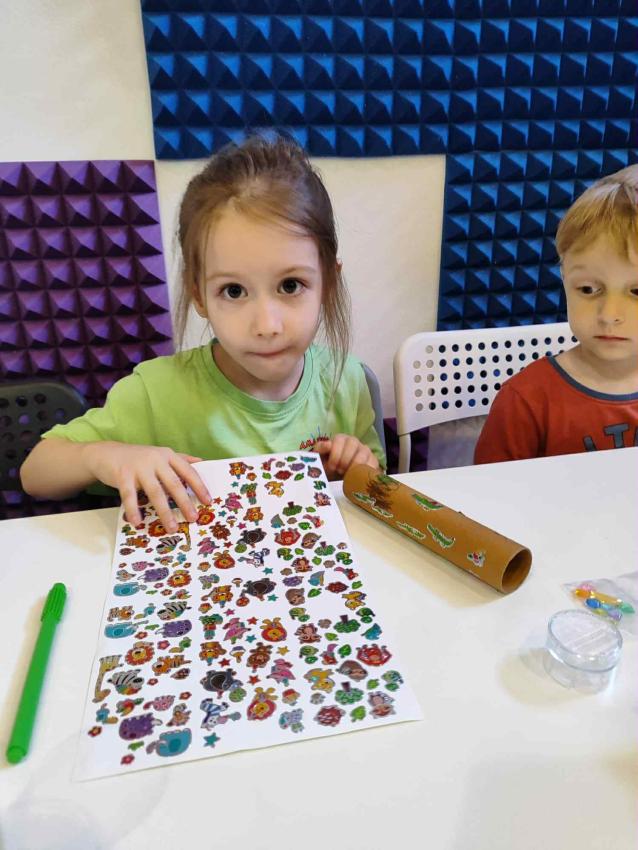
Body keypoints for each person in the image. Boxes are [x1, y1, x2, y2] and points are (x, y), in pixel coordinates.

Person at [21, 135, 384, 530]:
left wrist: (353, 470)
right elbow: (35, 473)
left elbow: (375, 484)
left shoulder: (348, 381)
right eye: (234, 291)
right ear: (199, 296)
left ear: (329, 283)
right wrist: (105, 456)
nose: (267, 326)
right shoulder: (155, 391)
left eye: (291, 285)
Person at [474, 164, 638, 464]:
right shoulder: (525, 400)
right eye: (588, 289)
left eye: (636, 292)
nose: (609, 315)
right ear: (565, 281)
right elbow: (488, 489)